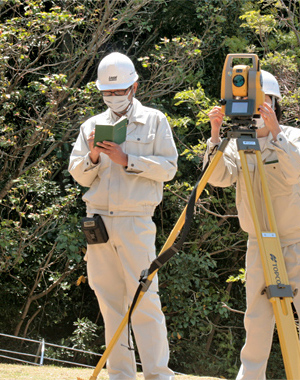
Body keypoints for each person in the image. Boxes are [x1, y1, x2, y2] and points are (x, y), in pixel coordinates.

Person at [204, 70, 300, 380]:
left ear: (274, 104)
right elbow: (218, 178)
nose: (255, 111)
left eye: (262, 104)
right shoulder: (239, 143)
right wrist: (215, 135)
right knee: (257, 321)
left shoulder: (293, 137)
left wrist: (275, 132)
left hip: (299, 240)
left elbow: (295, 173)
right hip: (258, 243)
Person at [69, 52, 177, 380]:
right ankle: (121, 375)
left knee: (144, 301)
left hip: (135, 220)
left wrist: (127, 159)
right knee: (110, 304)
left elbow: (170, 169)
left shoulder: (155, 120)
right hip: (98, 222)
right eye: (107, 92)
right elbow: (79, 175)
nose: (114, 97)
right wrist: (93, 155)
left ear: (134, 86)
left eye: (119, 91)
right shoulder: (91, 126)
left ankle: (158, 375)